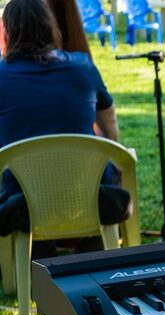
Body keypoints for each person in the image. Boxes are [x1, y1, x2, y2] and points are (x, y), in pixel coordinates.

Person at [0, 0, 124, 257]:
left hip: (24, 199)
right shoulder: (83, 67)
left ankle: (36, 251)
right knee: (113, 169)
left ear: (7, 31)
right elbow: (110, 130)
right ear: (49, 26)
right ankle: (95, 245)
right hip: (88, 192)